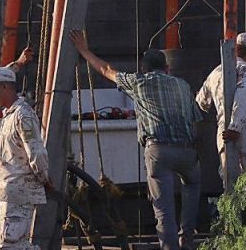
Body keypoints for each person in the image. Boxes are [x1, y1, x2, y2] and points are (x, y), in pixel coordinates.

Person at [71, 31, 203, 250]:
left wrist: (83, 49)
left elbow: (106, 70)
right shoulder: (182, 85)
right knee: (192, 185)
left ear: (144, 69)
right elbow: (196, 118)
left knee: (164, 209)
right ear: (167, 68)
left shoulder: (139, 82)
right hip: (187, 150)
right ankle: (187, 240)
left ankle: (170, 247)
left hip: (159, 150)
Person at [0, 66, 50, 250]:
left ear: (4, 86)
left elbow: (36, 152)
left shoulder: (23, 115)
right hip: (10, 191)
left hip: (19, 191)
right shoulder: (9, 115)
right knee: (9, 244)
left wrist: (44, 179)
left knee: (11, 245)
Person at [195, 32, 246, 188]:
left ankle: (231, 213)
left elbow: (201, 102)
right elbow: (244, 96)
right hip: (245, 133)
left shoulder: (215, 72)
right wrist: (235, 127)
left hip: (222, 133)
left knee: (230, 183)